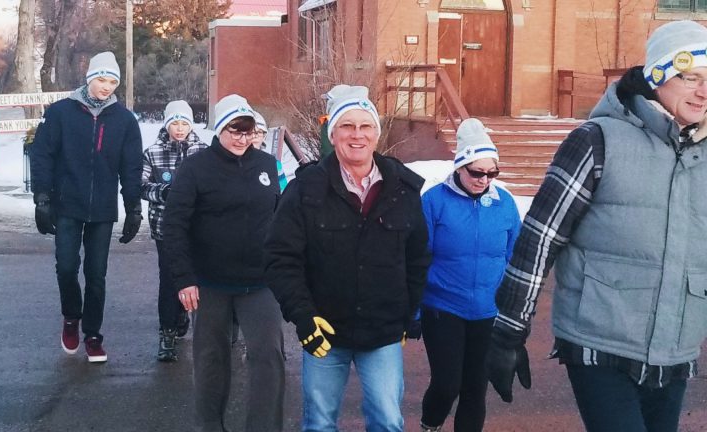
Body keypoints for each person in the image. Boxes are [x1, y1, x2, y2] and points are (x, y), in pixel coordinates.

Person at [485, 20, 707, 432]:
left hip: (675, 350)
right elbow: (540, 236)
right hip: (600, 342)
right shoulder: (597, 140)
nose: (703, 91)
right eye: (690, 77)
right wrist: (508, 332)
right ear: (658, 74)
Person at [265, 84, 431, 432]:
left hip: (383, 332)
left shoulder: (403, 189)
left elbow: (417, 259)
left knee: (387, 421)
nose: (357, 135)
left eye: (365, 126)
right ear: (333, 133)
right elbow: (282, 259)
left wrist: (408, 313)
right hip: (325, 330)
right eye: (347, 126)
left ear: (376, 133)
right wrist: (303, 316)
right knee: (320, 422)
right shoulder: (305, 189)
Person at [163, 94, 285, 431]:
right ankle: (210, 425)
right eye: (235, 130)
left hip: (260, 282)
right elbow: (174, 224)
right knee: (211, 360)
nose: (242, 139)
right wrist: (184, 277)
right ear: (220, 128)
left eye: (248, 132)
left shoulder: (264, 165)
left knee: (268, 357)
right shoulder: (196, 167)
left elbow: (278, 217)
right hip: (210, 282)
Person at [30, 51, 143, 363]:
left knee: (96, 274)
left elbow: (131, 166)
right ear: (90, 78)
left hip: (103, 209)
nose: (106, 87)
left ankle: (93, 334)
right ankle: (71, 317)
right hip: (68, 204)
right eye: (101, 79)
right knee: (66, 267)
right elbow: (42, 155)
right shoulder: (61, 113)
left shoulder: (124, 120)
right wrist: (42, 197)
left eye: (112, 81)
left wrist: (133, 206)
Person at [418, 118, 521, 432]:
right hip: (443, 307)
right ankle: (430, 424)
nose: (484, 180)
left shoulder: (504, 203)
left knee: (475, 387)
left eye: (492, 173)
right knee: (448, 384)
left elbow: (514, 256)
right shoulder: (433, 201)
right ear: (459, 167)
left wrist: (516, 314)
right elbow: (418, 258)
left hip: (488, 310)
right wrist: (413, 309)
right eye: (477, 172)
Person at [141, 100, 207, 362]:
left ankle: (186, 315)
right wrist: (163, 191)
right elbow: (141, 185)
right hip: (164, 226)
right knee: (169, 278)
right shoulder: (153, 152)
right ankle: (167, 332)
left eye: (184, 123)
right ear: (167, 124)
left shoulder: (203, 150)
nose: (179, 129)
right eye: (175, 123)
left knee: (195, 276)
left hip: (199, 226)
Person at [251, 111, 288, 192]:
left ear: (263, 136)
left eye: (258, 132)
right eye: (250, 132)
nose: (254, 136)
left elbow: (284, 192)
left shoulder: (273, 163)